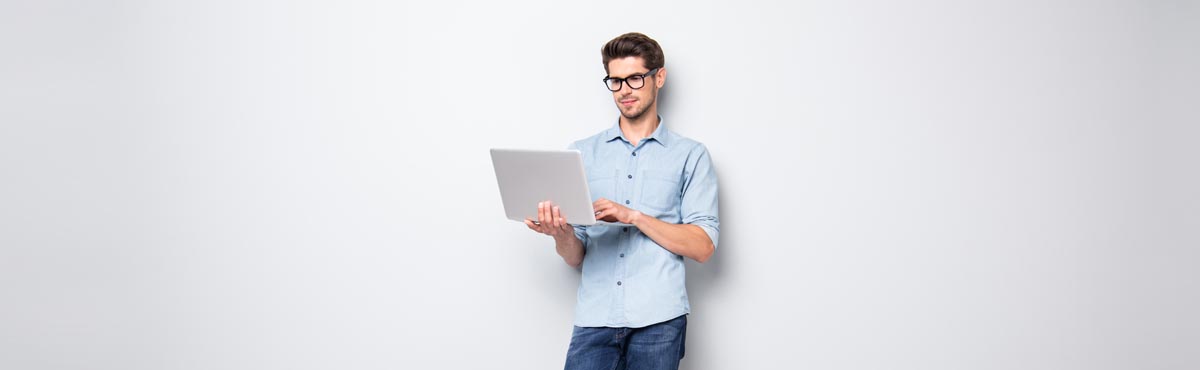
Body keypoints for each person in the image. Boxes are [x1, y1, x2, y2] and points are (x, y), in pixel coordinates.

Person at [524, 32, 720, 370]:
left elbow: (703, 246)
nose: (624, 90)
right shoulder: (582, 153)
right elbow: (575, 256)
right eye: (615, 81)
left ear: (659, 77)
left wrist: (633, 216)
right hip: (594, 317)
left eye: (634, 78)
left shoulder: (691, 155)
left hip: (659, 319)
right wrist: (561, 234)